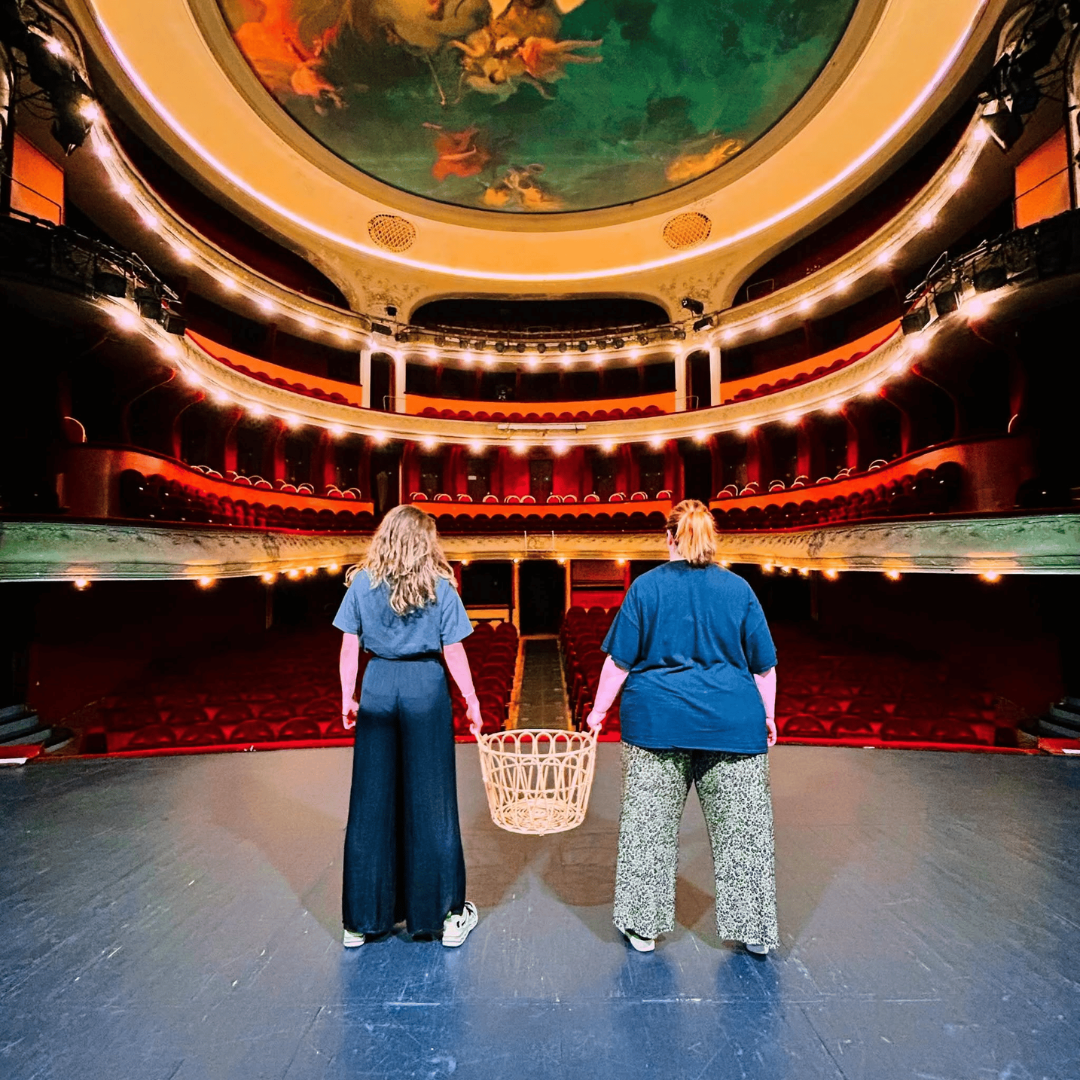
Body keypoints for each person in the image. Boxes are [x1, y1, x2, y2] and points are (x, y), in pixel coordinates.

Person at [585, 499, 779, 956]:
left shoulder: (645, 588)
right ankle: (753, 930)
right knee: (745, 834)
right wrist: (768, 715)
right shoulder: (740, 589)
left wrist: (596, 714)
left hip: (656, 723)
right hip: (733, 724)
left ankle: (643, 926)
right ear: (712, 539)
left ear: (668, 537)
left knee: (648, 831)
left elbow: (618, 663)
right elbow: (764, 667)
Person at [333, 504, 482, 949]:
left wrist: (347, 695)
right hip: (425, 687)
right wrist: (472, 701)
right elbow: (454, 651)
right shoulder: (441, 586)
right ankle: (445, 916)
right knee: (432, 802)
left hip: (377, 682)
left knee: (370, 805)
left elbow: (348, 646)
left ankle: (360, 922)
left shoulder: (361, 582)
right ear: (426, 541)